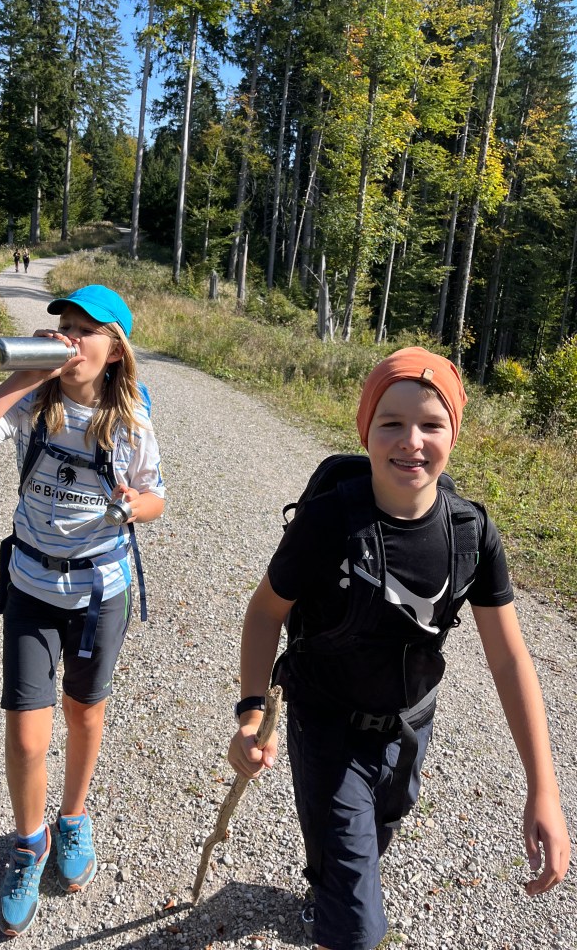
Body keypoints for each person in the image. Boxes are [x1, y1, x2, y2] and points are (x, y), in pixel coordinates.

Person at [228, 347, 570, 950]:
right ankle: (340, 908)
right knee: (357, 926)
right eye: (391, 422)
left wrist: (544, 787)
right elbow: (265, 613)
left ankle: (330, 888)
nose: (412, 441)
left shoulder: (471, 535)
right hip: (327, 728)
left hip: (409, 728)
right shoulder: (328, 524)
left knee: (375, 832)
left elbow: (510, 659)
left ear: (454, 434)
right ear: (365, 430)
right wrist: (252, 714)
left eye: (432, 424)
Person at [0, 284, 165, 938]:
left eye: (84, 329)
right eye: (62, 324)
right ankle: (29, 843)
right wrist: (22, 377)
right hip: (32, 588)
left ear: (114, 350)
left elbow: (156, 497)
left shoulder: (131, 422)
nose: (69, 336)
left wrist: (133, 506)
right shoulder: (31, 405)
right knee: (25, 735)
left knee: (84, 712)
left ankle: (73, 817)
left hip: (100, 593)